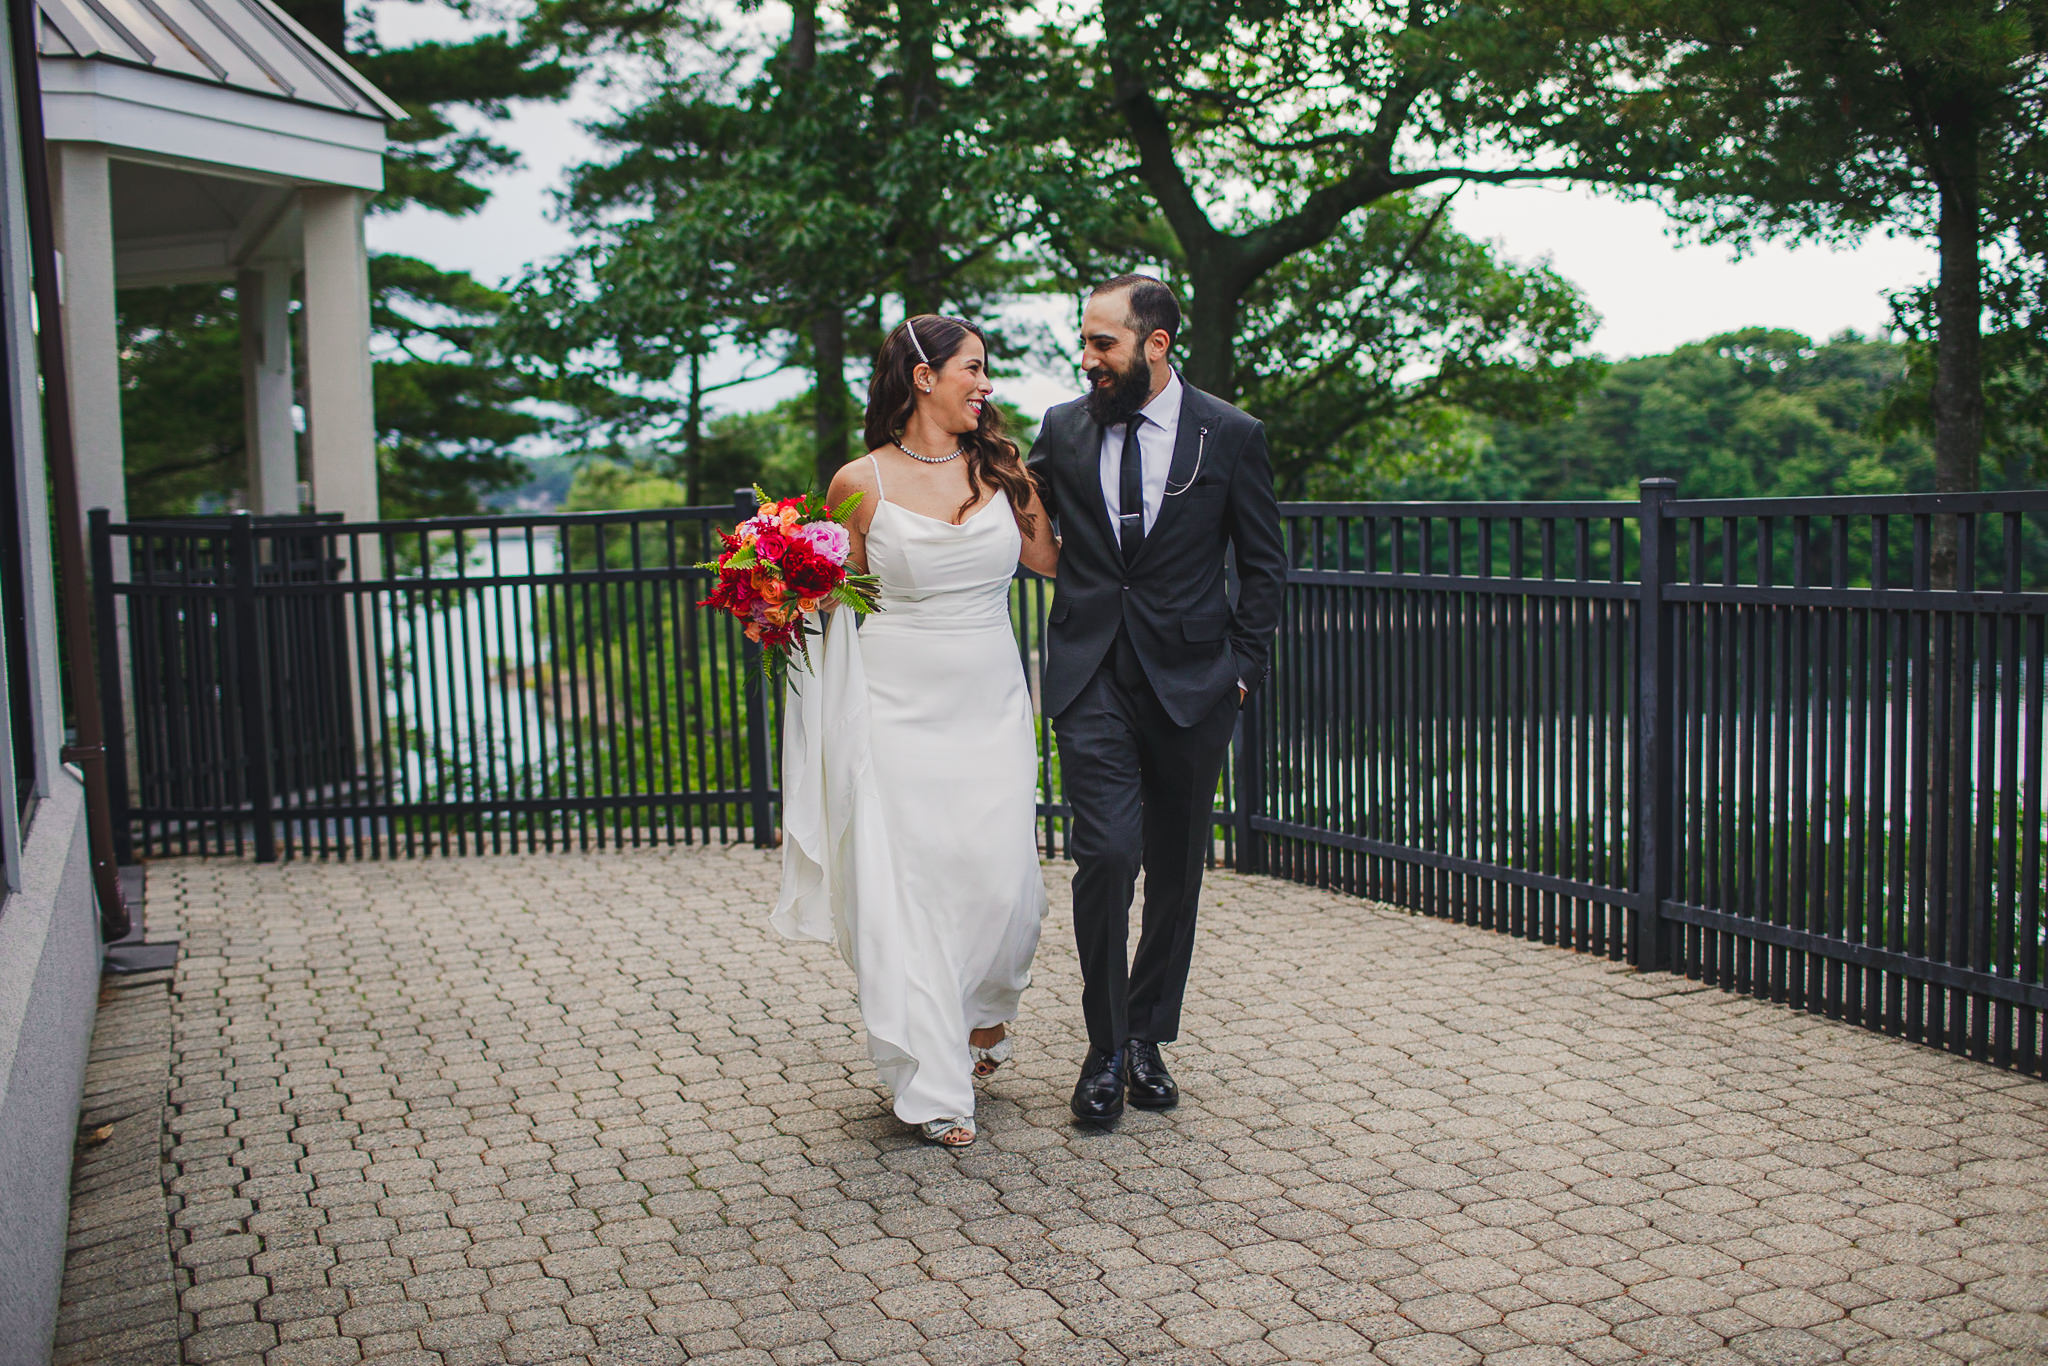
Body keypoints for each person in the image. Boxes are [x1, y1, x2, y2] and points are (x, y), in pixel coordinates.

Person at [773, 315, 1060, 1148]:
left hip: (992, 703)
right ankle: (933, 1084)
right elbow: (838, 589)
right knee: (914, 888)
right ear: (922, 375)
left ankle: (978, 1018)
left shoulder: (1004, 473)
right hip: (896, 704)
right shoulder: (857, 479)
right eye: (973, 369)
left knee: (1008, 887)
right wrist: (780, 594)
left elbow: (1059, 564)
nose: (986, 385)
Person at [1026, 275, 1286, 1124]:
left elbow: (1263, 564)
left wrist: (1241, 670)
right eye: (1086, 342)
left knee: (1176, 872)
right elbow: (1004, 504)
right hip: (1091, 673)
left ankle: (1147, 1037)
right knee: (1105, 857)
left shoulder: (1231, 435)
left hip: (1193, 685)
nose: (1089, 359)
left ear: (1157, 344)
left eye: (1104, 343)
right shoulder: (1063, 428)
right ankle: (1103, 1049)